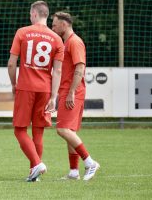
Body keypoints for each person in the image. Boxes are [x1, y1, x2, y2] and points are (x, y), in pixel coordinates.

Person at [8, 0, 64, 182]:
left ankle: (36, 164)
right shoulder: (57, 39)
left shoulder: (22, 32)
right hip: (45, 89)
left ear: (34, 14)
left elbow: (11, 63)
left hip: (26, 87)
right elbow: (57, 71)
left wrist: (13, 84)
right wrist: (54, 96)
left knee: (19, 130)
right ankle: (35, 173)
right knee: (38, 131)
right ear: (46, 15)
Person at [51, 12, 100, 181]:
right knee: (69, 131)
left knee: (62, 129)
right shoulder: (67, 42)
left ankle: (89, 162)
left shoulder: (74, 42)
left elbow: (80, 68)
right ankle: (73, 172)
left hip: (72, 92)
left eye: (55, 25)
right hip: (68, 91)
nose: (53, 28)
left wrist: (71, 91)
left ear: (64, 25)